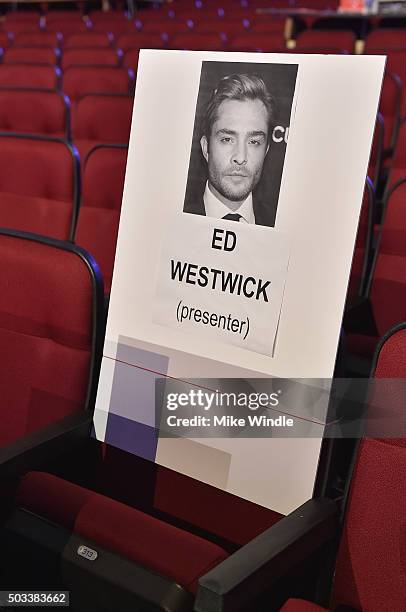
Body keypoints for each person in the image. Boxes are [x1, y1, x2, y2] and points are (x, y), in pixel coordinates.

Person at [184, 73, 276, 226]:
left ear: (266, 152)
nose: (240, 157)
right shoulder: (172, 219)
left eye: (254, 142)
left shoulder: (282, 227)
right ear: (206, 148)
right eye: (227, 140)